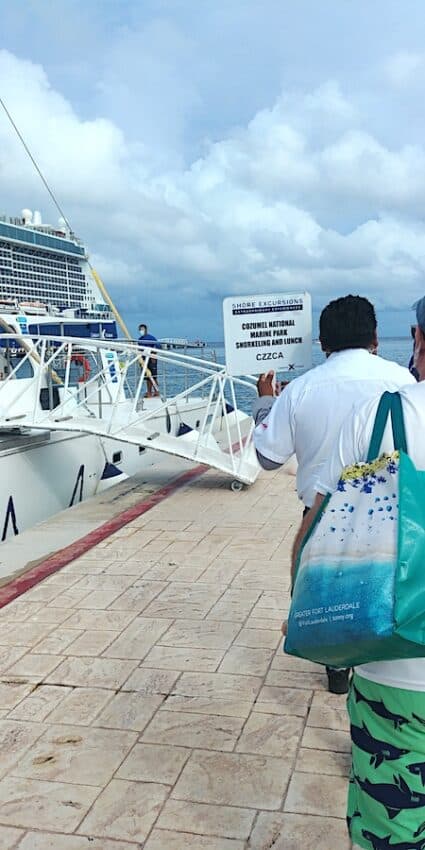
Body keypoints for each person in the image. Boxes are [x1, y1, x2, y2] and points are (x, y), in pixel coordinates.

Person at [294, 295, 425, 848]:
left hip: (397, 669)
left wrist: (301, 606)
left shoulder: (384, 414)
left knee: (390, 828)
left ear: (420, 339)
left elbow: (319, 529)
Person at [253, 294, 415, 694]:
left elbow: (267, 459)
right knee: (385, 595)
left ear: (322, 343)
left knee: (326, 599)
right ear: (375, 337)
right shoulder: (403, 381)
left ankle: (336, 669)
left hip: (320, 515)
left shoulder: (301, 390)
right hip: (389, 512)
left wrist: (266, 401)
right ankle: (380, 673)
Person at [138, 323, 161, 398]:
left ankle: (156, 391)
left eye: (142, 329)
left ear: (146, 330)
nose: (141, 331)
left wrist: (153, 355)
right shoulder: (140, 340)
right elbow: (139, 349)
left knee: (153, 376)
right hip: (144, 359)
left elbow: (158, 346)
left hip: (151, 359)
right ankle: (149, 392)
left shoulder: (151, 338)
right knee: (147, 377)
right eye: (140, 329)